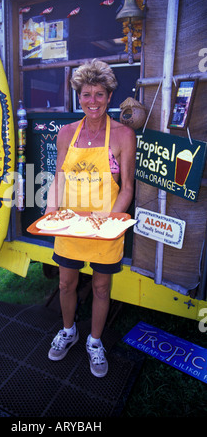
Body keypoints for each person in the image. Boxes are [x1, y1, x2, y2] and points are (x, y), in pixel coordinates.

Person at [45, 59, 136, 378]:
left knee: (100, 287)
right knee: (66, 282)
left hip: (105, 226)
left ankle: (95, 342)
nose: (93, 101)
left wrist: (108, 222)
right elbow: (58, 178)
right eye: (86, 94)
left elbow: (126, 188)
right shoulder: (66, 133)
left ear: (110, 96)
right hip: (70, 224)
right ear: (78, 97)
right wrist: (50, 208)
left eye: (99, 94)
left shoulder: (123, 135)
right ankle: (69, 331)